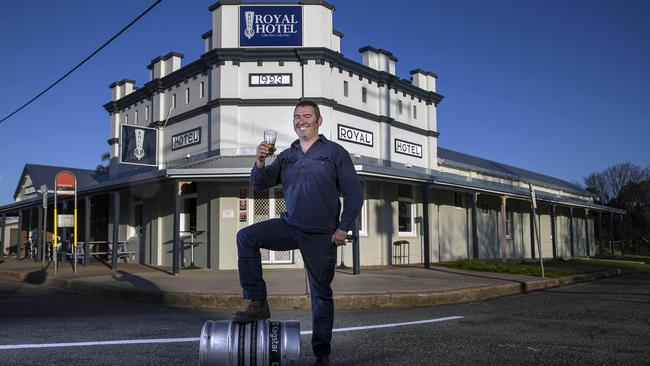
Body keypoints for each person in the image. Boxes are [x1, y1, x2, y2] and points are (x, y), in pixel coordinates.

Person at [234, 100, 364, 366]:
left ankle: (322, 354)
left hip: (321, 233)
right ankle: (257, 301)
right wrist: (259, 161)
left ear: (319, 121)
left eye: (307, 116)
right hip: (290, 226)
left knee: (320, 294)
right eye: (297, 116)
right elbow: (260, 184)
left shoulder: (335, 152)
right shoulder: (287, 155)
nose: (301, 120)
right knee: (246, 237)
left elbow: (354, 193)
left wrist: (343, 227)